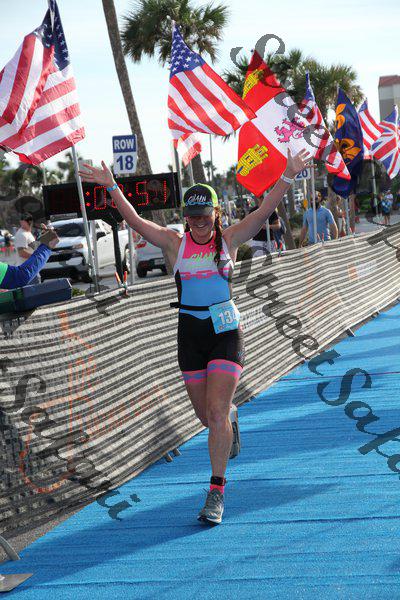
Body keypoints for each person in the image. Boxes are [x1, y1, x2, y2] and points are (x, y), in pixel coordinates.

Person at [79, 148, 310, 525]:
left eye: (204, 216)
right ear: (185, 218)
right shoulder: (174, 243)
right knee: (208, 418)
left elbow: (263, 211)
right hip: (190, 334)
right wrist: (112, 186)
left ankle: (216, 492)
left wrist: (288, 174)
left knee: (215, 414)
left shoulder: (229, 239)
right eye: (192, 217)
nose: (199, 223)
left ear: (216, 214)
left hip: (225, 333)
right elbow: (135, 220)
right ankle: (229, 417)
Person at [14, 213, 41, 284]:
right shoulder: (21, 234)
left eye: (29, 221)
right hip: (26, 271)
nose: (28, 223)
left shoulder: (27, 233)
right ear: (21, 222)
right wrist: (36, 256)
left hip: (32, 269)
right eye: (24, 221)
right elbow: (21, 253)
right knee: (33, 290)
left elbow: (33, 247)